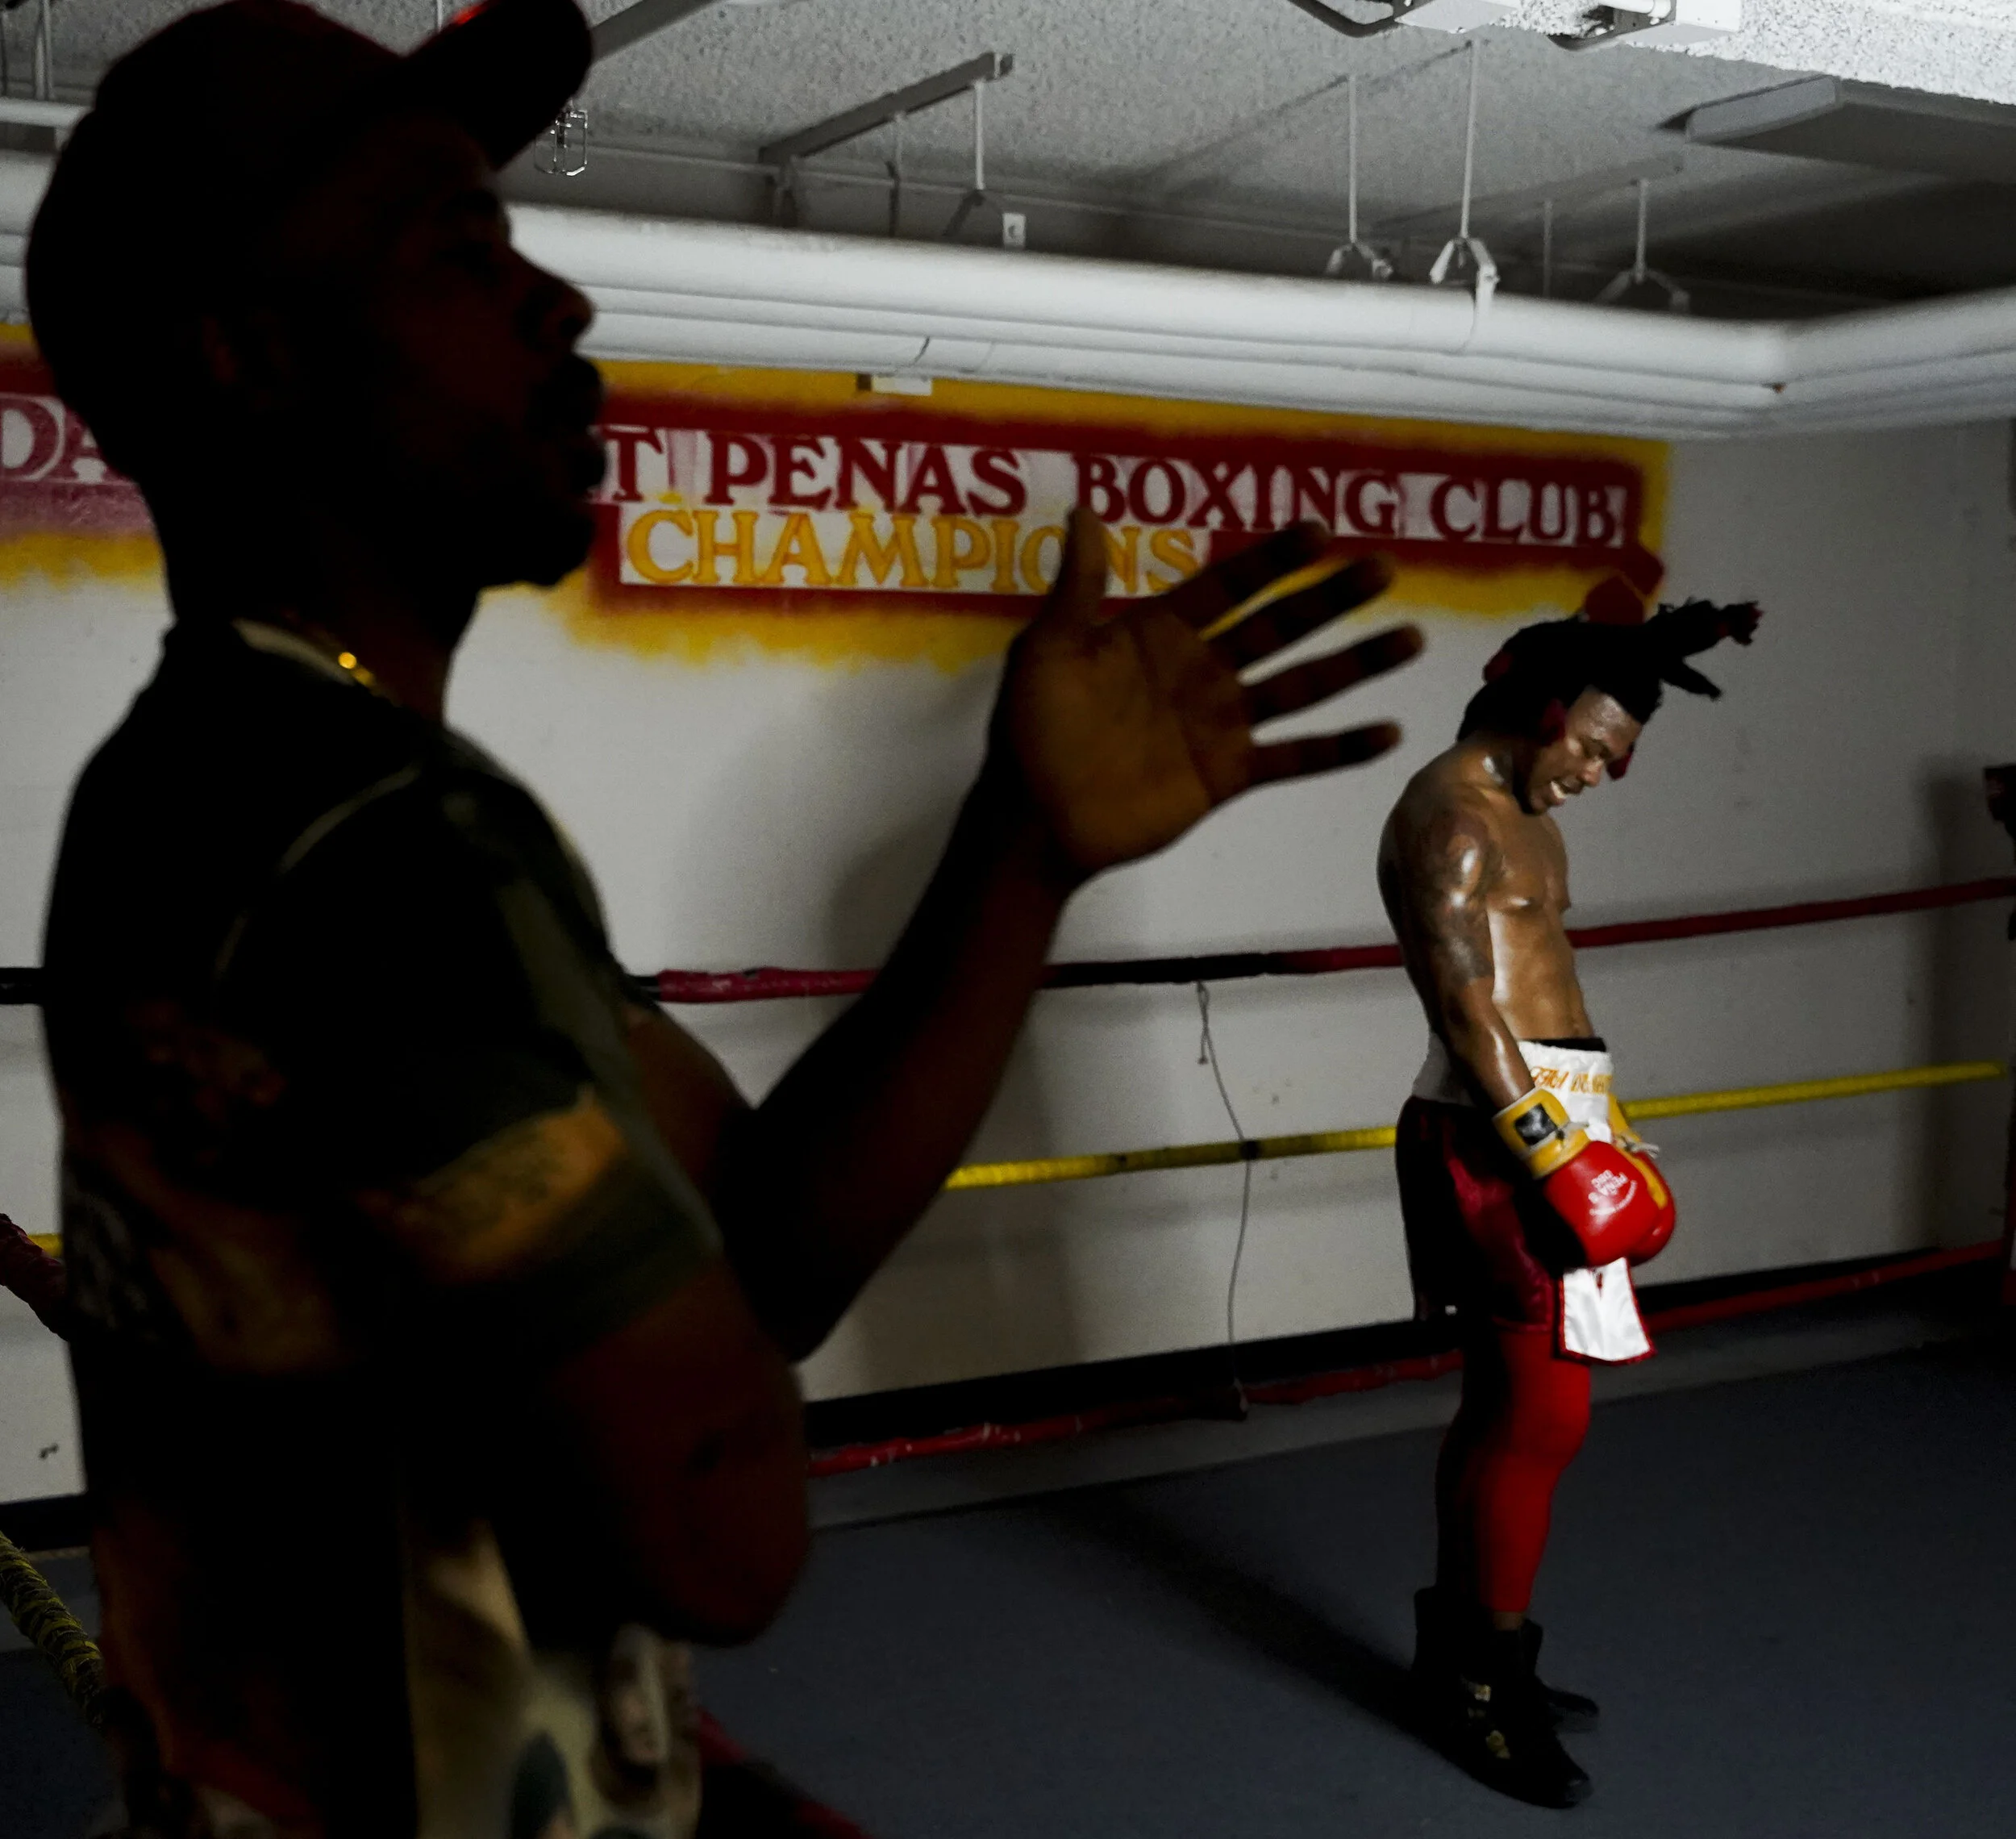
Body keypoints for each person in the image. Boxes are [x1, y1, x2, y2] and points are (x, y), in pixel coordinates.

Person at [24, 2, 1422, 1833]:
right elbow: (718, 1538)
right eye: (456, 253)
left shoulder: (215, 777)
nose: (559, 308)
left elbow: (752, 1252)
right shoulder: (378, 843)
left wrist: (1019, 851)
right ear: (248, 357)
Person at [1377, 594, 1760, 1807]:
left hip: (1551, 1119)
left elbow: (1550, 990)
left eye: (1615, 754)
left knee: (1508, 1407)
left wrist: (1606, 1124)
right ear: (1540, 711)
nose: (1600, 771)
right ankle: (1480, 1692)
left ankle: (1471, 1657)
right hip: (1496, 1136)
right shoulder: (1449, 820)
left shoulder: (1528, 814)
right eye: (1592, 745)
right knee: (1541, 1419)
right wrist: (1559, 1154)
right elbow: (1467, 1012)